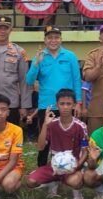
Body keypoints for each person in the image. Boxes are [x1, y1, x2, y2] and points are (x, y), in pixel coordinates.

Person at [25, 26, 82, 166]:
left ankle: (69, 166)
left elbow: (76, 80)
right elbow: (29, 81)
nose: (53, 40)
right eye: (50, 37)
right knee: (45, 139)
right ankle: (42, 168)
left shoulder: (70, 56)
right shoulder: (39, 57)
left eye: (56, 37)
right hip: (47, 105)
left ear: (61, 39)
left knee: (68, 138)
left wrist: (78, 102)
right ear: (45, 40)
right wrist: (36, 64)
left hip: (67, 104)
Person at [27, 89, 88, 199]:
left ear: (74, 105)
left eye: (68, 104)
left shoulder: (81, 126)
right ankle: (53, 181)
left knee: (76, 181)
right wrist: (45, 125)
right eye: (62, 104)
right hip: (54, 166)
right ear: (57, 105)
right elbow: (40, 147)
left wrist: (76, 166)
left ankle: (75, 189)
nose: (65, 107)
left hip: (72, 166)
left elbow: (85, 151)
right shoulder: (52, 124)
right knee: (31, 182)